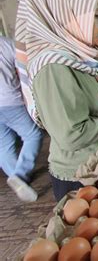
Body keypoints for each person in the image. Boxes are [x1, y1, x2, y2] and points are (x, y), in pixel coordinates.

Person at [15, 0, 98, 201]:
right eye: (96, 15)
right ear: (64, 17)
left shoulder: (83, 59)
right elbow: (71, 135)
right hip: (82, 176)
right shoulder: (54, 67)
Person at [0, 36, 43, 202]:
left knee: (4, 144)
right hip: (10, 101)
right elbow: (24, 66)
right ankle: (20, 175)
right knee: (33, 135)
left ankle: (18, 179)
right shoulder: (7, 44)